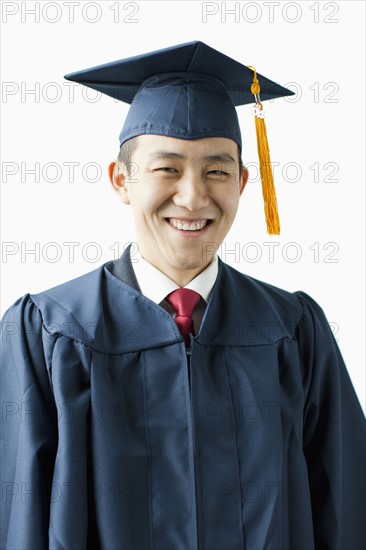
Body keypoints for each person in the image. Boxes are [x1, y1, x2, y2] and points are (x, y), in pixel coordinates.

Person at [1, 41, 365, 550]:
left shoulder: (293, 330)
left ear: (241, 182)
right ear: (121, 180)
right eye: (167, 168)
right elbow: (20, 519)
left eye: (216, 171)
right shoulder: (50, 330)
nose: (193, 196)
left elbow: (347, 510)